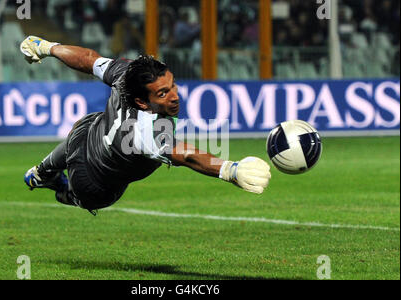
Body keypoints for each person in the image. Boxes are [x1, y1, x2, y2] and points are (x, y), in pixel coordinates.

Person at [20, 36, 271, 215]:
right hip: (95, 182)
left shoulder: (127, 73)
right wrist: (230, 170)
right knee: (85, 197)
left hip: (90, 132)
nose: (174, 96)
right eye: (162, 93)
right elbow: (187, 155)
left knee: (83, 128)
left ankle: (42, 172)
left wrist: (47, 47)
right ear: (141, 102)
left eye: (172, 84)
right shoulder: (143, 134)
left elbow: (87, 59)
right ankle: (58, 185)